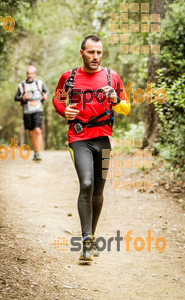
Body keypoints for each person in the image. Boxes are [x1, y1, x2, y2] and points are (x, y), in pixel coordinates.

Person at [53, 35, 130, 261]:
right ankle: (86, 242)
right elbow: (58, 100)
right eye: (90, 52)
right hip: (78, 137)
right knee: (86, 184)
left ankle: (92, 236)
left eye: (98, 53)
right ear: (82, 53)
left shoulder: (111, 76)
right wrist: (63, 110)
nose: (95, 57)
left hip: (104, 138)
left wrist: (116, 99)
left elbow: (126, 108)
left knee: (98, 191)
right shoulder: (69, 77)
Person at [15, 65, 48, 161]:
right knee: (30, 133)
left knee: (38, 130)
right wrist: (22, 98)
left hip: (38, 110)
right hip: (27, 111)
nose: (30, 75)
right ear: (26, 74)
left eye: (32, 73)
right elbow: (16, 97)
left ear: (35, 74)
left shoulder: (39, 83)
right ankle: (35, 151)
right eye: (28, 73)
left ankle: (37, 153)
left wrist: (45, 96)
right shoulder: (21, 85)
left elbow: (46, 92)